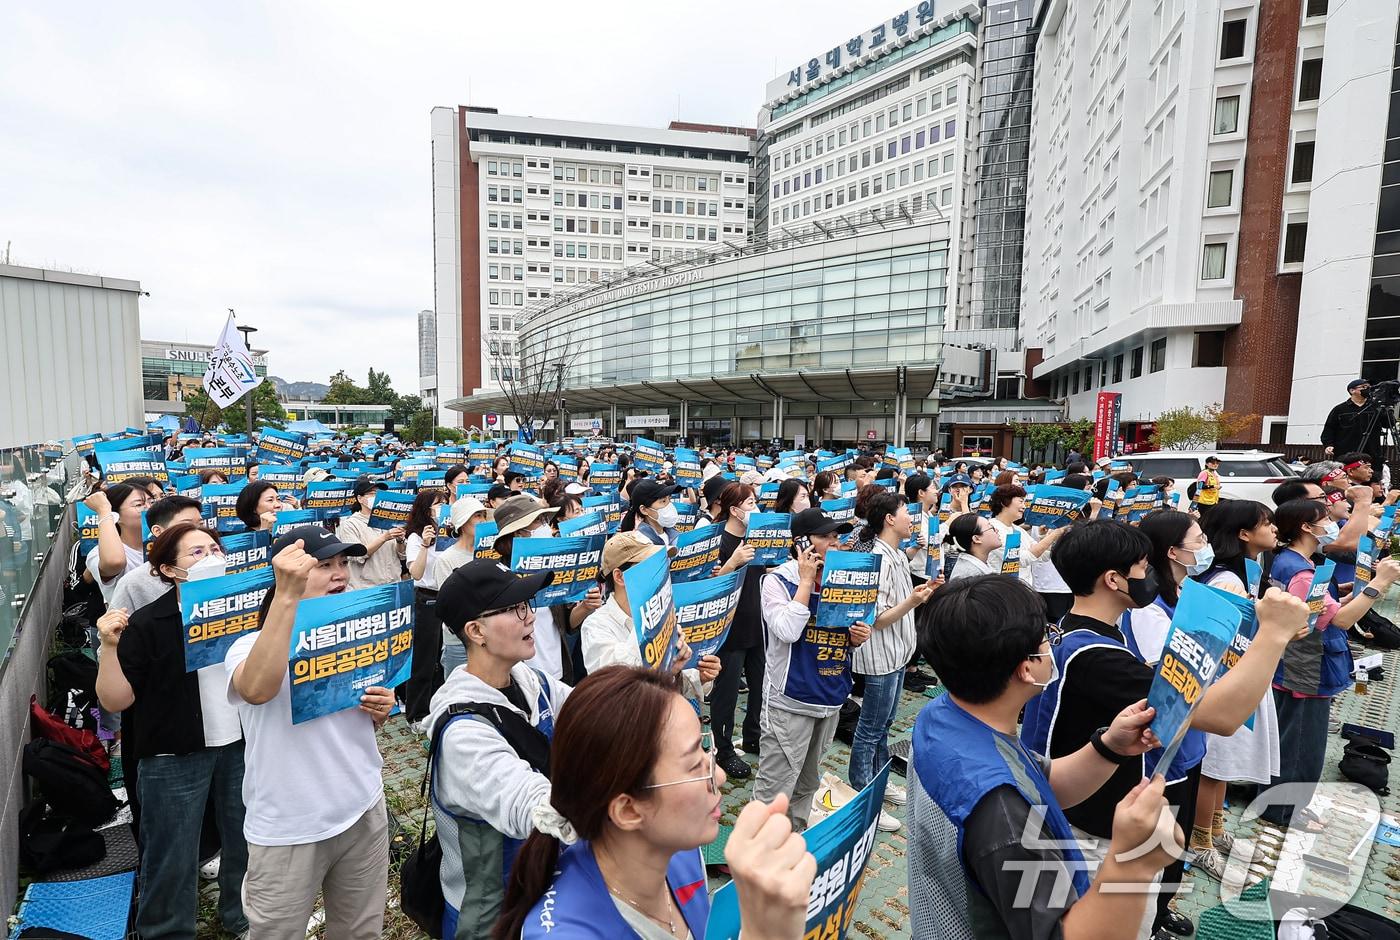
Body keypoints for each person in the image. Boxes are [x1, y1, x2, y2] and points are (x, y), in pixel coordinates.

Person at [1021, 520, 1310, 939]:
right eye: (1142, 567)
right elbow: (1222, 716)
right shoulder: (1098, 656)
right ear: (1113, 580)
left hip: (1073, 816)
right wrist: (1274, 635)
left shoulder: (1073, 630)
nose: (1150, 575)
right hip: (1093, 835)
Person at [910, 574, 1181, 940]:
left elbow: (1037, 782)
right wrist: (1133, 861)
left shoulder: (942, 715)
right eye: (1047, 638)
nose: (1053, 644)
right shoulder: (1003, 817)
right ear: (1026, 667)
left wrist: (1109, 747)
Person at [225, 527, 396, 939]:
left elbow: (357, 722)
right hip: (289, 827)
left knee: (361, 930)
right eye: (324, 565)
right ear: (288, 575)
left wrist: (380, 709)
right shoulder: (247, 646)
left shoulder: (357, 635)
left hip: (363, 808)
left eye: (343, 564)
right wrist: (287, 596)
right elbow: (257, 689)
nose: (340, 574)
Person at [95, 523, 248, 939]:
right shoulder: (148, 623)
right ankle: (166, 930)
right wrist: (108, 647)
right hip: (172, 755)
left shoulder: (246, 611)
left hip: (240, 747)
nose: (211, 558)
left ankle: (241, 915)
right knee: (171, 854)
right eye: (196, 553)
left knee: (245, 840)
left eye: (214, 549)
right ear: (168, 569)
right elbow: (115, 700)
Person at [492, 668, 722, 939]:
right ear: (627, 810)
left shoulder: (680, 849)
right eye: (695, 765)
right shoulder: (565, 933)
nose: (719, 775)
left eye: (705, 749)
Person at [427, 559, 570, 939]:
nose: (530, 618)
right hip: (492, 914)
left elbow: (591, 713)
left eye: (528, 604)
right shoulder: (462, 732)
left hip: (545, 893)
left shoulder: (531, 680)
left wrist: (665, 679)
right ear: (476, 631)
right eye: (514, 608)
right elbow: (532, 803)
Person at [1261, 500, 1400, 829]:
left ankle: (1286, 805)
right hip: (1306, 662)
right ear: (1307, 527)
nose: (1333, 524)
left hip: (1299, 661)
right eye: (1325, 519)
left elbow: (1325, 608)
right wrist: (1379, 584)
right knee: (1302, 742)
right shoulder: (1301, 571)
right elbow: (1338, 621)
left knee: (1295, 736)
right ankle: (1283, 811)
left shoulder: (1295, 562)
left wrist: (1354, 593)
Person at [756, 507, 871, 831]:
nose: (835, 543)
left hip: (830, 696)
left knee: (806, 785)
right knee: (775, 789)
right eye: (826, 537)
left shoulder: (844, 579)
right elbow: (788, 631)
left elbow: (848, 634)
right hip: (790, 699)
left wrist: (857, 636)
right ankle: (759, 858)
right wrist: (806, 581)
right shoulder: (777, 580)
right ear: (802, 543)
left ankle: (795, 842)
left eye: (837, 536)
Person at [1189, 500, 1282, 880]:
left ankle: (1215, 829)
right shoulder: (1227, 580)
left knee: (1221, 765)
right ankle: (1199, 842)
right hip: (1225, 679)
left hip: (1237, 675)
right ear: (1244, 534)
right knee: (1214, 765)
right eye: (1266, 523)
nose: (1274, 529)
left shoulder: (1248, 570)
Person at [848, 492, 936, 829]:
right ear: (888, 519)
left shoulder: (896, 554)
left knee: (884, 725)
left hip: (898, 652)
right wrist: (914, 600)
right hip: (881, 655)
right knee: (870, 728)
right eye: (904, 512)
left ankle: (880, 783)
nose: (910, 517)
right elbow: (878, 618)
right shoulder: (878, 558)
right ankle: (863, 794)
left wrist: (921, 591)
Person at [581, 532, 719, 701]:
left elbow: (673, 682)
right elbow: (614, 689)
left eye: (661, 565)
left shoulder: (666, 611)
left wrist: (700, 676)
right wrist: (648, 622)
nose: (660, 573)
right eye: (649, 567)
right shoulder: (596, 625)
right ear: (619, 577)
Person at [708, 483, 763, 780]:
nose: (755, 509)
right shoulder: (718, 541)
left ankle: (753, 734)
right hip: (729, 630)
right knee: (726, 694)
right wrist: (733, 562)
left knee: (760, 685)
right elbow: (711, 585)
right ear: (734, 509)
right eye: (750, 503)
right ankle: (723, 749)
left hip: (757, 623)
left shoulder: (757, 539)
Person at [401, 488, 449, 725]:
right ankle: (416, 714)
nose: (441, 508)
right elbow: (416, 572)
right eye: (437, 504)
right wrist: (425, 545)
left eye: (444, 503)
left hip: (448, 597)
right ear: (425, 509)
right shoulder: (416, 537)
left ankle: (437, 706)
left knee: (442, 657)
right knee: (424, 659)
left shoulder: (450, 534)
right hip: (426, 598)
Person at [110, 495, 204, 614]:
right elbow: (117, 629)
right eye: (186, 525)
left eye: (201, 524)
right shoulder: (133, 583)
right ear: (157, 531)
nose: (197, 531)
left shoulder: (219, 566)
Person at [84, 483, 151, 606]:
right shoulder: (99, 553)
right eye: (139, 505)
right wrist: (104, 510)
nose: (149, 508)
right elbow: (114, 562)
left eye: (152, 502)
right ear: (116, 516)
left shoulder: (168, 545)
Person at [335, 477, 406, 590]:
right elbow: (358, 555)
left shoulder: (389, 520)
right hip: (366, 588)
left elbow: (402, 555)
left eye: (379, 494)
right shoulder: (350, 524)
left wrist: (400, 540)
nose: (377, 497)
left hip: (393, 584)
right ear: (360, 498)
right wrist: (384, 537)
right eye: (372, 494)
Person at [1321, 379, 1383, 460]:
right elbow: (1329, 429)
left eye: (1369, 387)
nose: (1368, 389)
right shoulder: (1340, 409)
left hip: (1371, 453)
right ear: (1352, 390)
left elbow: (1389, 424)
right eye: (1364, 387)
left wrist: (1384, 406)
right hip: (1345, 454)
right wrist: (1328, 445)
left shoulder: (1375, 407)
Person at [621, 478, 681, 548]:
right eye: (663, 501)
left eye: (669, 499)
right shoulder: (640, 542)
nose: (669, 505)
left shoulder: (674, 535)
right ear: (644, 510)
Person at [945, 513, 1002, 581]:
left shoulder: (978, 564)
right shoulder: (969, 576)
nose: (997, 530)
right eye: (991, 528)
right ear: (976, 539)